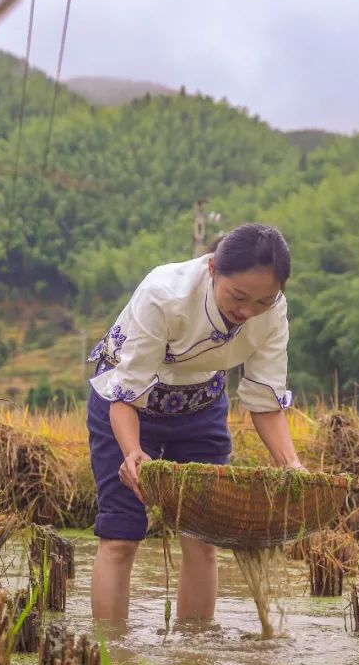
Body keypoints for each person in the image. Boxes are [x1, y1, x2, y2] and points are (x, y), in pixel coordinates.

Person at [85, 222, 304, 622]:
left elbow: (264, 399)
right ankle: (111, 653)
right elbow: (125, 395)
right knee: (121, 536)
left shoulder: (273, 312)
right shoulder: (164, 294)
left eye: (262, 302)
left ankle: (196, 653)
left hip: (200, 408)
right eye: (238, 296)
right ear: (212, 269)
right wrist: (133, 452)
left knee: (203, 539)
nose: (247, 311)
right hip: (126, 406)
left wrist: (291, 465)